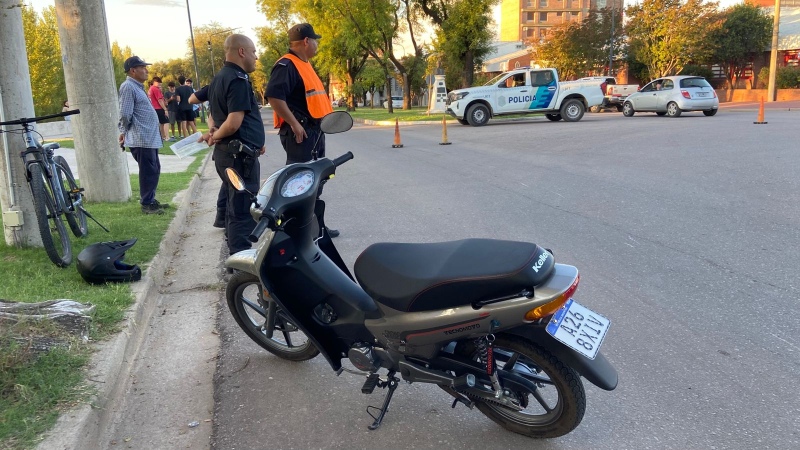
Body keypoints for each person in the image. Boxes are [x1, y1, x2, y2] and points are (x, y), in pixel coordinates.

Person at [266, 23, 339, 238]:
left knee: (316, 182)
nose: (317, 44)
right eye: (315, 40)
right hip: (300, 133)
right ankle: (297, 231)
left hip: (314, 132)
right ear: (306, 41)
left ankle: (317, 229)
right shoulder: (287, 64)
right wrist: (295, 124)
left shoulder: (304, 64)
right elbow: (274, 96)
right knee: (300, 183)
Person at [204, 34, 265, 255]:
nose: (256, 56)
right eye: (253, 51)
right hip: (238, 157)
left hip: (229, 154)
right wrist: (216, 135)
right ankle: (240, 263)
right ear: (241, 52)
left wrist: (214, 131)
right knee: (241, 209)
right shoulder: (237, 79)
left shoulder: (219, 77)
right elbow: (233, 123)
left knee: (233, 206)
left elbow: (213, 115)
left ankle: (235, 253)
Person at [117, 56, 168, 215]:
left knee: (154, 169)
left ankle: (151, 200)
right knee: (148, 171)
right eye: (142, 67)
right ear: (133, 70)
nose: (146, 70)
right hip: (141, 139)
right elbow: (125, 114)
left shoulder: (138, 87)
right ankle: (147, 204)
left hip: (149, 138)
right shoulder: (128, 87)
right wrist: (123, 131)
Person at [191, 85, 227, 229]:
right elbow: (192, 99)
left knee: (228, 183)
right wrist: (214, 134)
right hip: (226, 142)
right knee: (232, 185)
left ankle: (222, 218)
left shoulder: (214, 87)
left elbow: (193, 98)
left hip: (220, 139)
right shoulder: (229, 84)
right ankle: (225, 218)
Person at [148, 76, 170, 141]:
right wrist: (165, 109)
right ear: (154, 82)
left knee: (161, 123)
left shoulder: (150, 89)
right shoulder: (155, 89)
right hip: (158, 108)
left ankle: (163, 137)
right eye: (158, 82)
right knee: (166, 122)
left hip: (153, 108)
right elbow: (159, 100)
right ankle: (167, 137)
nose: (160, 84)